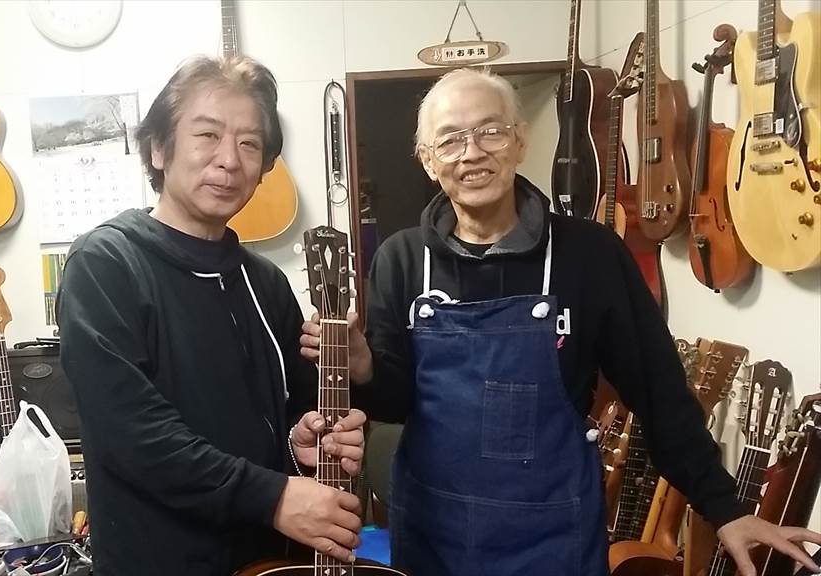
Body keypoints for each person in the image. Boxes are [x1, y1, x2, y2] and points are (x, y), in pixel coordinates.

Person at [300, 67, 821, 576]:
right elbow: (395, 402)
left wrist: (725, 508)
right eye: (451, 139)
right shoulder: (401, 258)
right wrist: (364, 365)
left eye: (490, 131)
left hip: (552, 535)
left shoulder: (589, 254)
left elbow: (658, 390)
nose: (472, 152)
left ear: (520, 141)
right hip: (434, 533)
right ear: (428, 160)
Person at [56, 55, 366, 576]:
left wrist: (301, 444)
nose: (229, 160)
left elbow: (291, 415)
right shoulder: (106, 264)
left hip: (268, 562)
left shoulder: (265, 283)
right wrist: (272, 497)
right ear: (158, 148)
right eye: (207, 135)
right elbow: (132, 435)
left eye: (250, 144)